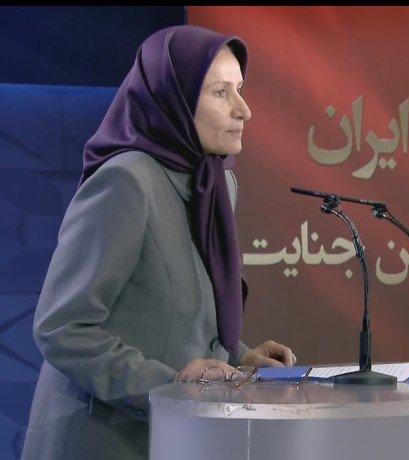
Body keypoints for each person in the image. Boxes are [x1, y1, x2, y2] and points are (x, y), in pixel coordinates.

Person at [21, 25, 295, 460]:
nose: (244, 110)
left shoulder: (217, 185)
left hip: (176, 439)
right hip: (102, 442)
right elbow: (63, 327)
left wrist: (239, 361)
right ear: (174, 99)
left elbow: (180, 320)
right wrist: (169, 388)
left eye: (240, 90)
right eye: (220, 93)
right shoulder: (126, 181)